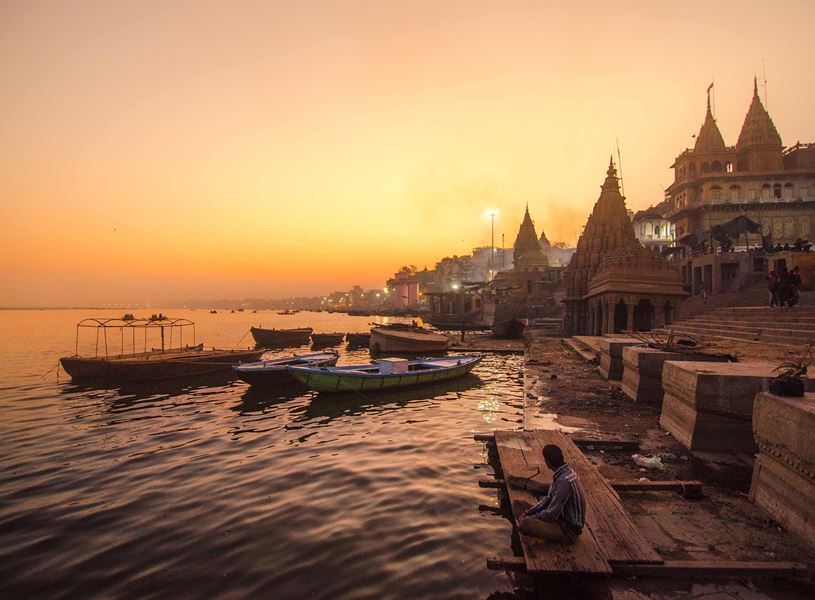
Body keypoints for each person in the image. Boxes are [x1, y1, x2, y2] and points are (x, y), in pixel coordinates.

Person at [516, 444, 586, 544]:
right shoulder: (563, 473)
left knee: (526, 523)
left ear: (547, 462)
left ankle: (541, 534)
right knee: (518, 504)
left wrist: (532, 518)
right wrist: (529, 512)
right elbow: (547, 500)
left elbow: (552, 513)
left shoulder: (564, 481)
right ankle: (537, 530)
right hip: (558, 519)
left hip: (568, 530)